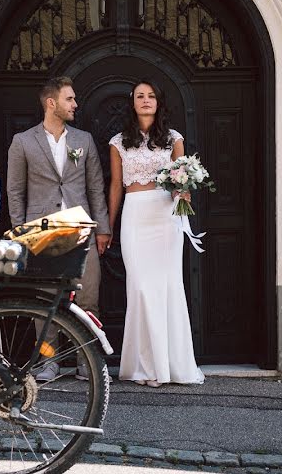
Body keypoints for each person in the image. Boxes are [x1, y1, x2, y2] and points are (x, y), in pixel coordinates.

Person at [6, 76, 111, 381]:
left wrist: (102, 228)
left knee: (89, 297)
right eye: (70, 99)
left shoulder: (84, 140)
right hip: (42, 230)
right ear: (51, 103)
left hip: (81, 227)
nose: (75, 104)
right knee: (45, 301)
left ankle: (86, 361)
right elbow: (15, 192)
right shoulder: (23, 142)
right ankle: (48, 362)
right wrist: (21, 234)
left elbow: (95, 187)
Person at [107, 80, 204, 388]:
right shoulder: (118, 142)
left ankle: (171, 366)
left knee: (167, 287)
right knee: (140, 289)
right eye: (140, 96)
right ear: (132, 103)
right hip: (135, 215)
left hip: (165, 216)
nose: (146, 100)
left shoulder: (174, 139)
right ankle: (144, 366)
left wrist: (184, 193)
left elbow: (181, 178)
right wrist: (108, 225)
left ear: (159, 103)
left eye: (151, 96)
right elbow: (114, 186)